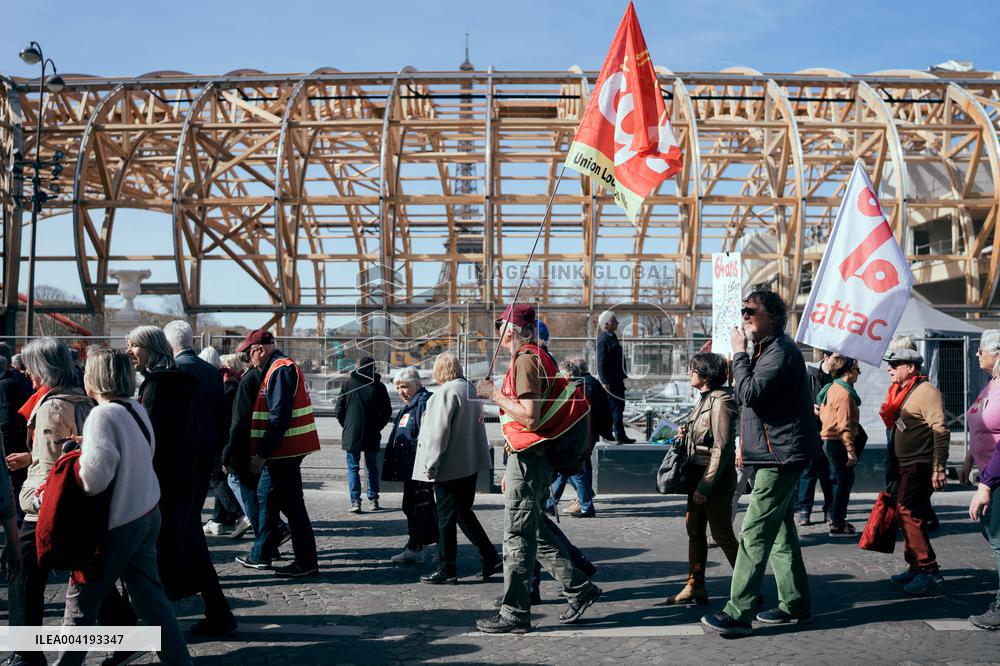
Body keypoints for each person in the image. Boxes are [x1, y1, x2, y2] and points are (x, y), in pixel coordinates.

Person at [56, 349, 192, 666]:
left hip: (117, 523)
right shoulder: (134, 408)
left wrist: (72, 462)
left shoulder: (101, 416)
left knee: (80, 606)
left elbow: (94, 480)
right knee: (152, 603)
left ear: (94, 377)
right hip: (146, 512)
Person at [475, 304, 600, 634]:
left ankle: (515, 613)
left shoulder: (527, 360)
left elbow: (530, 416)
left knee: (517, 535)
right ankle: (579, 587)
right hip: (531, 457)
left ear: (515, 332)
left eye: (503, 327)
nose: (499, 334)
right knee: (534, 530)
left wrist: (493, 395)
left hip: (530, 459)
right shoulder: (535, 357)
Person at [701, 290, 818, 637]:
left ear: (773, 318)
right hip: (775, 452)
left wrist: (738, 353)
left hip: (779, 456)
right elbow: (751, 401)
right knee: (780, 532)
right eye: (743, 310)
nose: (745, 315)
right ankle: (795, 604)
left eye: (751, 310)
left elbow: (748, 394)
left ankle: (739, 612)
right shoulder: (768, 350)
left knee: (753, 532)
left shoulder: (779, 351)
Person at [127, 325, 236, 635]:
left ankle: (149, 626)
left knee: (153, 550)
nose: (130, 351)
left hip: (166, 479)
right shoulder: (184, 376)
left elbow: (150, 438)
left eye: (134, 345)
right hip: (188, 471)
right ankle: (216, 612)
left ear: (149, 347)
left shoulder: (159, 384)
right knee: (190, 542)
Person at [6, 338, 96, 666]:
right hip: (71, 499)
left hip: (44, 506)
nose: (26, 373)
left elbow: (53, 464)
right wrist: (32, 455)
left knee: (23, 575)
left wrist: (36, 493)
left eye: (31, 367)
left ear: (44, 369)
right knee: (83, 568)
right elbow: (66, 451)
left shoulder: (51, 406)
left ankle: (26, 653)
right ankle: (126, 629)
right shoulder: (80, 399)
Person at [236, 329, 321, 577]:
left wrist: (262, 454)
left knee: (290, 506)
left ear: (259, 350)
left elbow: (278, 417)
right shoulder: (280, 367)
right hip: (285, 450)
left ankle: (302, 561)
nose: (249, 360)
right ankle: (262, 554)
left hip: (283, 451)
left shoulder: (279, 369)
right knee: (270, 499)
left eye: (249, 354)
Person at [412, 353, 500, 583]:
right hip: (469, 464)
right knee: (463, 513)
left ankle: (446, 567)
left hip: (448, 467)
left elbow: (437, 435)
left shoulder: (444, 393)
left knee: (446, 520)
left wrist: (430, 465)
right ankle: (490, 555)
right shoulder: (469, 389)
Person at [667, 352, 740, 606]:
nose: (689, 373)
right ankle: (694, 585)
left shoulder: (722, 401)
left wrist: (706, 485)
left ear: (706, 375)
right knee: (695, 531)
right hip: (698, 473)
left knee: (722, 534)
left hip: (714, 477)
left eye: (693, 369)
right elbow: (705, 437)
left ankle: (748, 585)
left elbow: (722, 447)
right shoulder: (704, 400)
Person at [880, 347, 949, 595]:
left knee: (908, 513)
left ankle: (929, 570)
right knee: (908, 515)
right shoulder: (903, 391)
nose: (889, 368)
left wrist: (939, 467)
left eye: (895, 364)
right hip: (903, 464)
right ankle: (916, 567)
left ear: (910, 368)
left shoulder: (927, 392)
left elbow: (940, 430)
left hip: (919, 464)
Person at [163, 321, 231, 536]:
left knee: (180, 509)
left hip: (182, 448)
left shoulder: (173, 369)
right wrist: (220, 449)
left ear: (168, 343)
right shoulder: (211, 371)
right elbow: (221, 412)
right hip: (209, 446)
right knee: (195, 505)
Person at [382, 367, 434, 564]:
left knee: (423, 508)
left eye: (404, 386)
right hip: (409, 467)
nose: (400, 392)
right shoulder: (410, 404)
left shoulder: (423, 403)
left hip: (419, 468)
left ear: (417, 384)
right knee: (411, 506)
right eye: (397, 388)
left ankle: (432, 548)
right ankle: (415, 547)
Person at [967, 329, 1000, 629]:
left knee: (999, 541)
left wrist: (986, 484)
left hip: (996, 477)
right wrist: (968, 459)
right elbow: (980, 423)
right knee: (991, 534)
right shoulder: (991, 383)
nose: (977, 354)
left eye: (981, 349)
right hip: (988, 473)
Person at [547, 357, 609, 518]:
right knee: (566, 473)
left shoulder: (574, 392)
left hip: (573, 441)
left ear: (567, 376)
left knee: (575, 474)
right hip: (579, 440)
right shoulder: (581, 388)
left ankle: (585, 506)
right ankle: (551, 504)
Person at [335, 356, 392, 513]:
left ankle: (355, 502)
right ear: (374, 368)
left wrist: (347, 426)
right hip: (372, 432)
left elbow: (339, 410)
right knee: (372, 466)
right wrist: (377, 427)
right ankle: (373, 500)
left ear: (358, 367)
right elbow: (386, 412)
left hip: (352, 432)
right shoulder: (379, 386)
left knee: (353, 468)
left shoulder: (347, 384)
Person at [818, 356, 862, 538]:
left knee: (842, 480)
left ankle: (838, 520)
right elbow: (844, 426)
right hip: (837, 442)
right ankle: (837, 523)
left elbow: (823, 415)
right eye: (857, 370)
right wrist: (850, 451)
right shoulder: (844, 394)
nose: (859, 373)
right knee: (843, 482)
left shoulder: (831, 388)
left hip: (829, 441)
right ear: (848, 372)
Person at [796, 350, 840, 526]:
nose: (839, 362)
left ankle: (830, 509)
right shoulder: (810, 374)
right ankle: (804, 510)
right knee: (808, 471)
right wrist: (810, 408)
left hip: (831, 430)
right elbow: (798, 398)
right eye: (836, 358)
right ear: (826, 357)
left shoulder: (840, 377)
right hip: (811, 429)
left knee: (830, 472)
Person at [0, 354, 33, 524]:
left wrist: (4, 445)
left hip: (11, 440)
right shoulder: (19, 379)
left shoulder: (4, 386)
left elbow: (5, 418)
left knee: (12, 481)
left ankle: (18, 517)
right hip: (23, 436)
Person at [596, 310, 634, 443]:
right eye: (614, 321)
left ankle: (620, 435)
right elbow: (600, 362)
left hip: (617, 379)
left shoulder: (612, 337)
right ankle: (613, 436)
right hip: (611, 381)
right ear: (607, 324)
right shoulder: (603, 339)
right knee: (615, 409)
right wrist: (604, 381)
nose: (617, 323)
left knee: (619, 407)